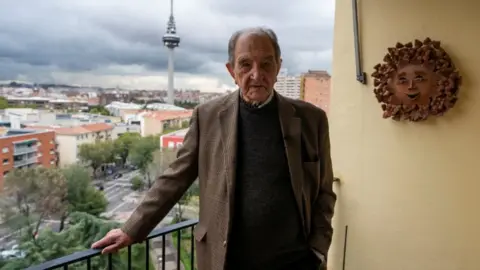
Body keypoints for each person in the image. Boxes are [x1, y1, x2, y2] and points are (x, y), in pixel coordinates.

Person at [92, 27, 336, 270]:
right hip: (228, 261)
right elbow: (174, 179)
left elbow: (325, 193)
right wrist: (131, 228)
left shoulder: (311, 120)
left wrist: (317, 250)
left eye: (266, 64)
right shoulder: (207, 117)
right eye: (245, 64)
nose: (256, 74)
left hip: (295, 262)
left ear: (278, 67)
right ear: (231, 71)